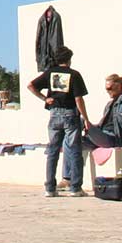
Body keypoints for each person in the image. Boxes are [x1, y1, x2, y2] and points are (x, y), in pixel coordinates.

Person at [26, 47, 89, 196]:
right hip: (70, 114)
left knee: (53, 151)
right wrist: (85, 118)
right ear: (69, 59)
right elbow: (78, 98)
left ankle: (50, 188)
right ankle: (75, 187)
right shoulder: (74, 74)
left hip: (54, 114)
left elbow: (30, 85)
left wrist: (45, 99)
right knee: (74, 151)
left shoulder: (50, 73)